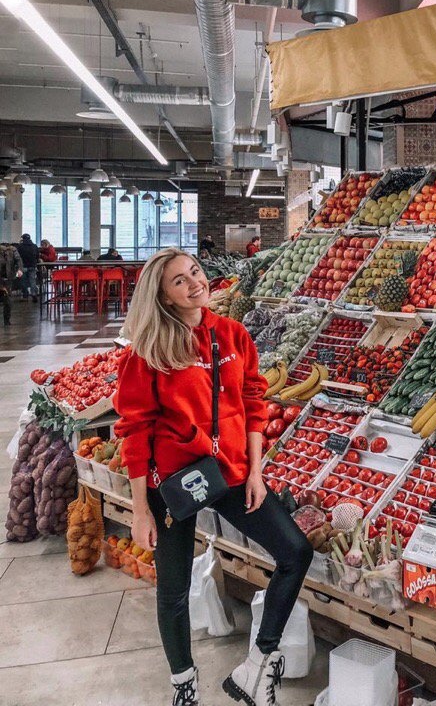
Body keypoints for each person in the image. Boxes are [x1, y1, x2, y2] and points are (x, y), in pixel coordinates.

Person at [113, 248, 311, 706]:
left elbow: (254, 403)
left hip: (232, 471)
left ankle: (258, 664)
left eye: (195, 272)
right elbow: (135, 432)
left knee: (294, 552)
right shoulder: (148, 351)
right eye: (179, 280)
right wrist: (141, 508)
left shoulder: (233, 334)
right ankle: (184, 683)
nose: (194, 283)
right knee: (174, 587)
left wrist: (257, 472)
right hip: (173, 481)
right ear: (162, 295)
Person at [0, 244, 23, 326]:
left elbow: (18, 261)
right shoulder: (12, 251)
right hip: (5, 279)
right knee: (7, 301)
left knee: (8, 301)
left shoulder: (13, 251)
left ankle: (7, 320)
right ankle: (7, 321)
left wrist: (20, 269)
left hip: (7, 279)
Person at [16, 234, 39, 302]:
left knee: (23, 281)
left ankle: (25, 296)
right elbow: (37, 256)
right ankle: (34, 294)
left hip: (23, 266)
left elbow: (17, 257)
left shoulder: (20, 247)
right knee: (32, 281)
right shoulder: (34, 246)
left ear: (23, 239)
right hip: (32, 266)